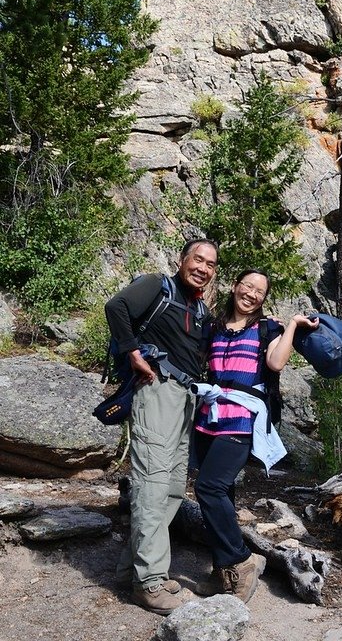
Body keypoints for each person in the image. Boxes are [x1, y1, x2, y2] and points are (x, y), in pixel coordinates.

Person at [104, 238, 218, 615]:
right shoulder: (157, 285)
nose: (202, 267)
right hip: (157, 391)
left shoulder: (199, 307)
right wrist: (133, 353)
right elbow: (116, 307)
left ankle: (132, 568)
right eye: (197, 259)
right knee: (152, 483)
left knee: (170, 488)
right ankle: (148, 583)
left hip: (185, 398)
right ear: (182, 260)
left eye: (210, 264)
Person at [192, 268, 318, 604]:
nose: (251, 293)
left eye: (259, 291)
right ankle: (224, 573)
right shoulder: (214, 327)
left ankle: (243, 560)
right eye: (247, 286)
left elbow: (276, 364)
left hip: (243, 418)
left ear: (264, 298)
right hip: (209, 416)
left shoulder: (267, 328)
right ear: (235, 287)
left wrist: (291, 325)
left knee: (208, 487)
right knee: (223, 495)